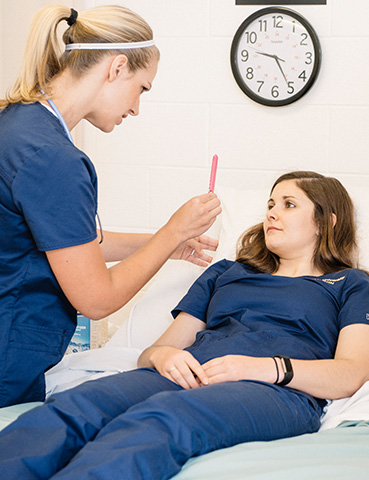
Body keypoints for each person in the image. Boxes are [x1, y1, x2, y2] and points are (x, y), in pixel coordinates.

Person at [0, 171, 369, 480]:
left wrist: (259, 367)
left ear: (327, 221)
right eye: (270, 204)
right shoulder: (227, 272)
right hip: (190, 374)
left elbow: (351, 373)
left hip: (274, 391)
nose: (271, 213)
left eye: (289, 205)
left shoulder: (351, 284)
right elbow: (155, 351)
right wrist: (165, 356)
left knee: (160, 421)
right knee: (77, 404)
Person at [0, 5, 221, 408]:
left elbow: (72, 243)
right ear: (116, 68)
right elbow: (96, 299)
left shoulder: (17, 123)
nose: (136, 108)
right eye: (142, 88)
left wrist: (163, 244)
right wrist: (174, 230)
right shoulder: (53, 158)